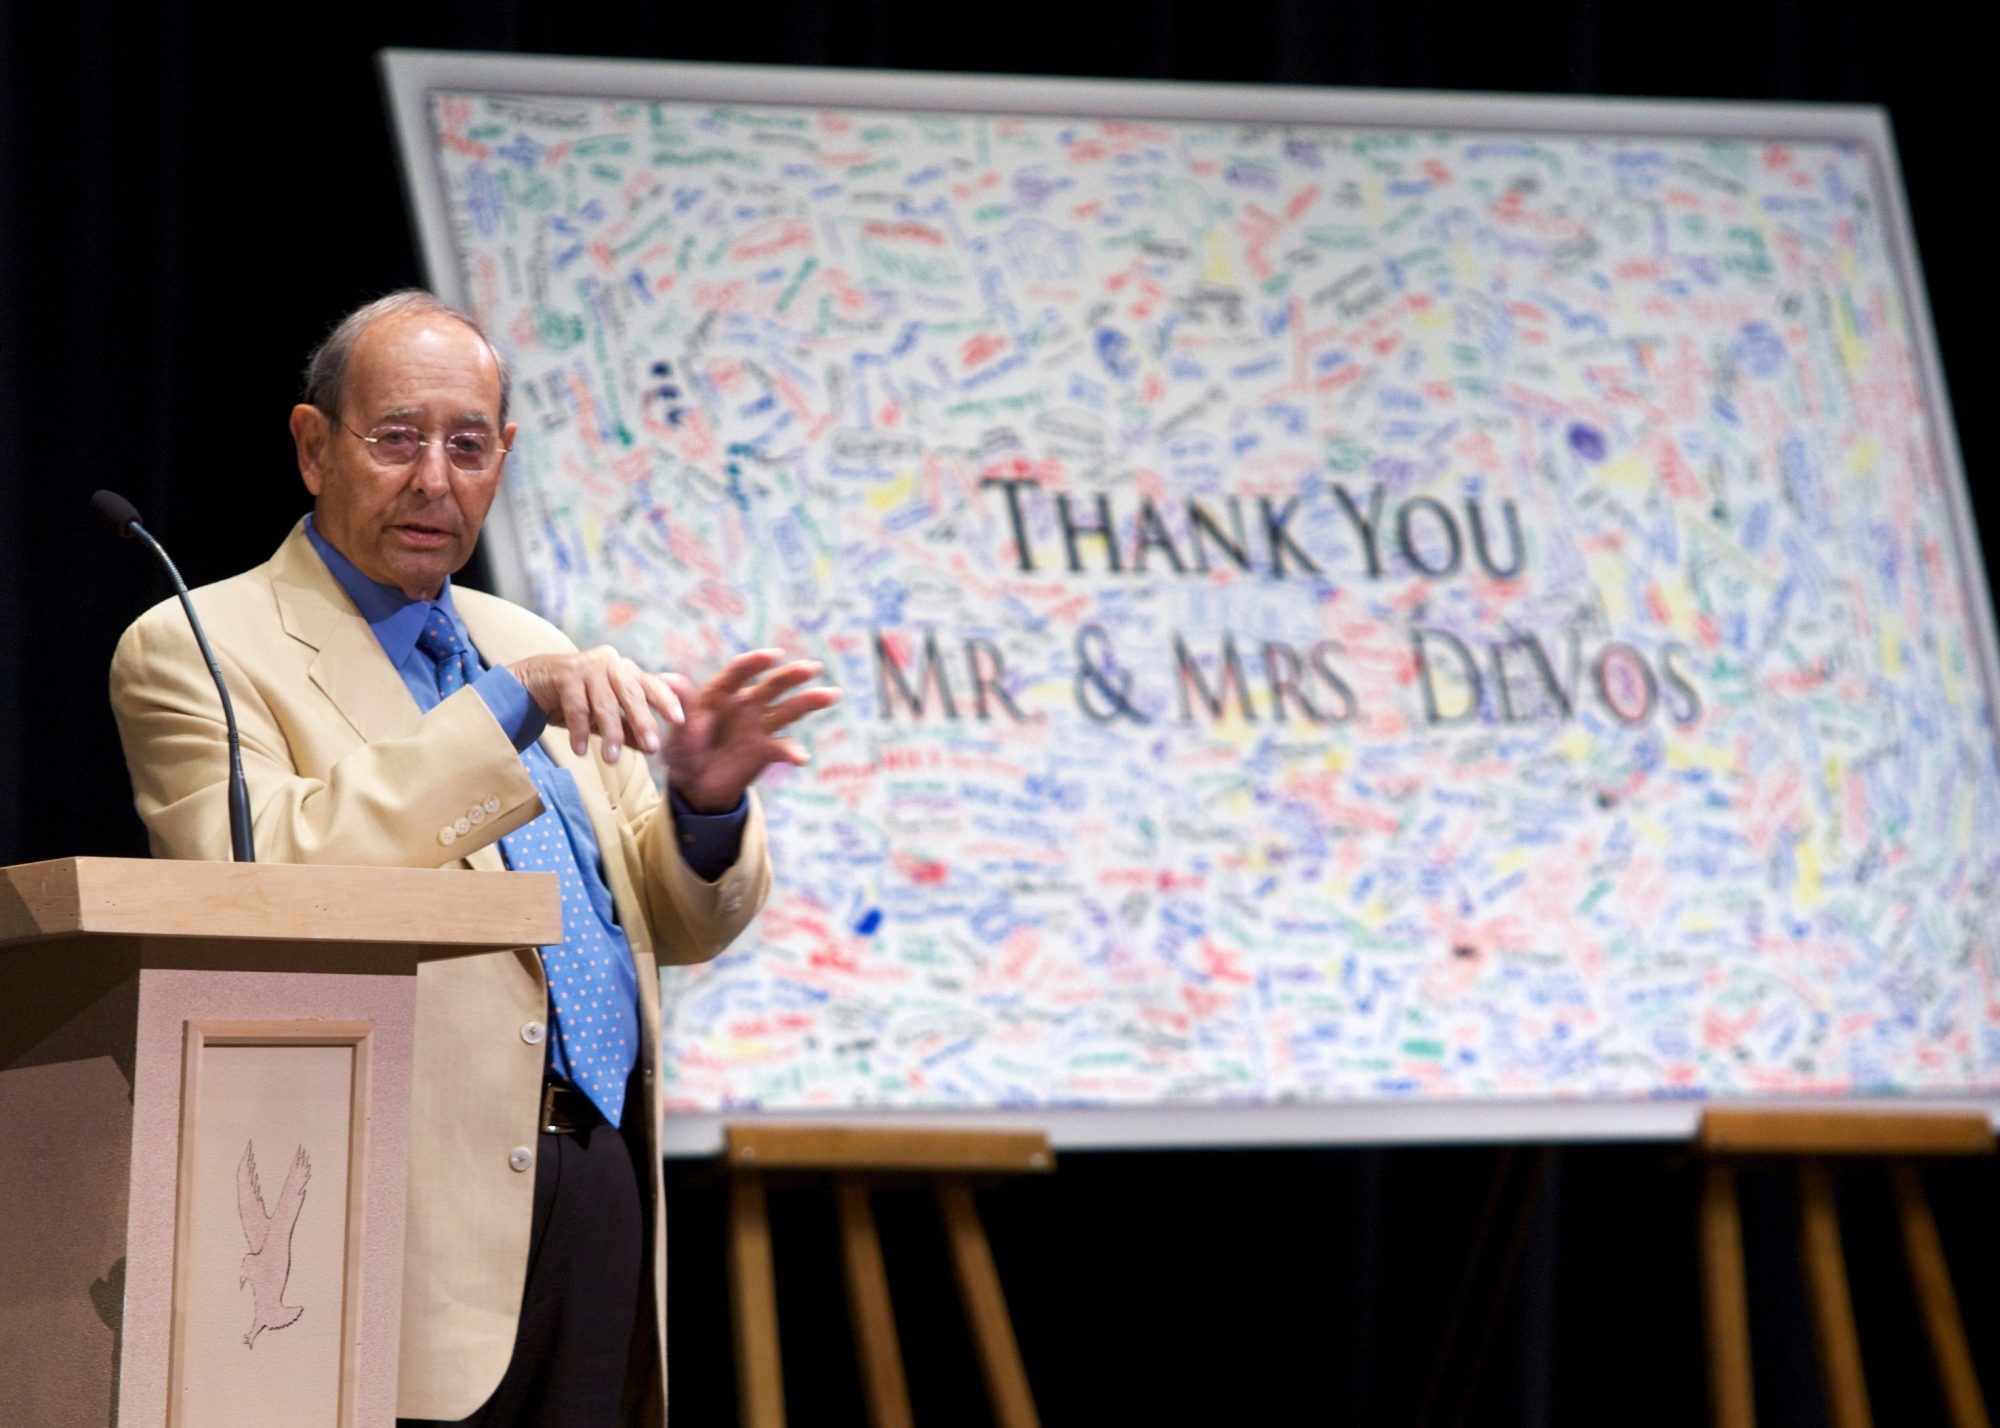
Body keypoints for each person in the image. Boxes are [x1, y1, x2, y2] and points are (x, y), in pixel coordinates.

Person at [108, 290, 837, 1425]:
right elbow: (266, 879)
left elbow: (672, 923)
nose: (434, 480)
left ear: (503, 456)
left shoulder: (528, 641)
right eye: (397, 438)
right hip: (397, 1193)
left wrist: (700, 805)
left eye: (467, 444)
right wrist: (503, 708)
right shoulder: (199, 644)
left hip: (598, 1167)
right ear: (313, 448)